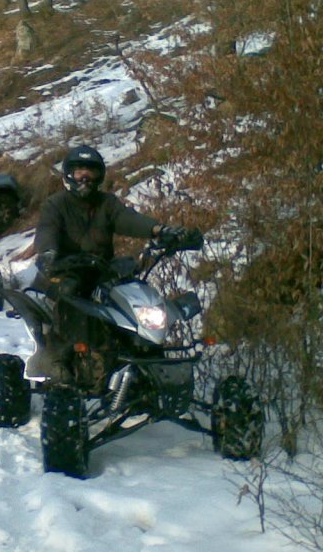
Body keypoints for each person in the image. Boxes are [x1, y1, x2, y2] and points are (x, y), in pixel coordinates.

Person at [27, 144, 203, 380]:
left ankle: (136, 347)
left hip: (101, 268)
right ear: (68, 174)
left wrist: (160, 230)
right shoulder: (56, 204)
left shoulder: (106, 203)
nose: (85, 177)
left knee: (133, 290)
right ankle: (60, 356)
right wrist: (48, 253)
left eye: (91, 171)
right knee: (69, 292)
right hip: (65, 269)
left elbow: (127, 219)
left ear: (100, 176)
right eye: (79, 171)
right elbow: (47, 229)